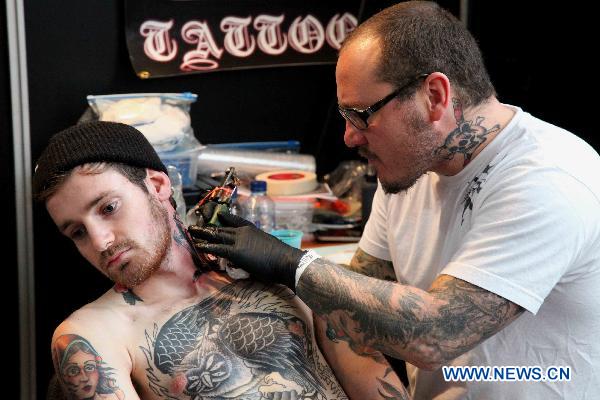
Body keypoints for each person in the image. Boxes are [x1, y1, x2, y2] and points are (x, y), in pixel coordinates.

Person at [190, 1, 600, 399]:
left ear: (435, 97)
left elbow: (438, 333)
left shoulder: (548, 178)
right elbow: (366, 293)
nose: (350, 137)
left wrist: (290, 264)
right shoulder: (412, 169)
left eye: (362, 114)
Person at [33, 121, 409, 400]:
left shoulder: (280, 273)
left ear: (158, 186)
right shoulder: (94, 334)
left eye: (108, 207)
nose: (100, 241)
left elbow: (378, 388)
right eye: (77, 232)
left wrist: (295, 269)